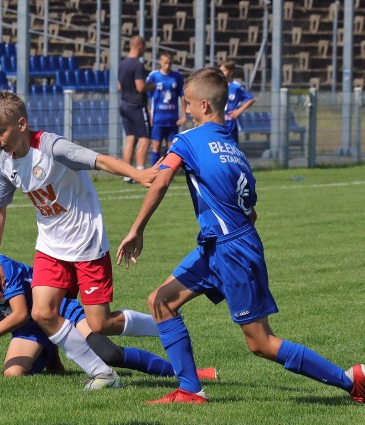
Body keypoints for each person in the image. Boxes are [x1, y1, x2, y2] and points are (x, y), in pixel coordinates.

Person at [116, 66, 365, 404]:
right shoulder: (234, 151)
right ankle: (190, 390)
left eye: (188, 104)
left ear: (204, 106)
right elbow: (251, 209)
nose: (185, 111)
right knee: (161, 301)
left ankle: (352, 381)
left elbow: (160, 181)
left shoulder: (188, 140)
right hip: (221, 245)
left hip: (231, 250)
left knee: (260, 342)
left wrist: (136, 230)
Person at [0, 89, 163, 390]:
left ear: (22, 124)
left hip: (86, 244)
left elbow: (100, 160)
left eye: (0, 132)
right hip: (51, 247)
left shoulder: (53, 147)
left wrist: (138, 173)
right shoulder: (5, 164)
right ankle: (103, 374)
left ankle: (163, 325)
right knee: (42, 312)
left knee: (100, 324)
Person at [0, 223, 218, 381]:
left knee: (109, 355)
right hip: (30, 329)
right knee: (13, 374)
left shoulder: (1, 267)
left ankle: (189, 369)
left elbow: (19, 314)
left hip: (59, 311)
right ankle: (52, 355)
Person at [117, 35, 151, 183]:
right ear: (140, 46)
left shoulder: (122, 63)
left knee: (130, 138)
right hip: (136, 106)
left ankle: (127, 173)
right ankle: (141, 171)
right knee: (144, 139)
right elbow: (140, 86)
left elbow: (119, 86)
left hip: (124, 104)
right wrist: (152, 86)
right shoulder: (138, 65)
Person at [145, 51, 186, 166]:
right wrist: (149, 114)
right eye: (165, 63)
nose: (168, 65)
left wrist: (183, 115)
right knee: (156, 147)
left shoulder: (176, 76)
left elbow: (182, 96)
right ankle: (154, 172)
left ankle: (167, 172)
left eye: (170, 63)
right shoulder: (153, 76)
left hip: (172, 119)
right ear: (160, 62)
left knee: (172, 149)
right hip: (158, 118)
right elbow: (147, 97)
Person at [219, 60, 254, 144]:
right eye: (220, 70)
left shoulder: (236, 87)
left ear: (231, 72)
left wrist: (239, 111)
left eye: (224, 70)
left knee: (231, 146)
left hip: (230, 123)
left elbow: (250, 99)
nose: (221, 72)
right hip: (217, 121)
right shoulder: (217, 85)